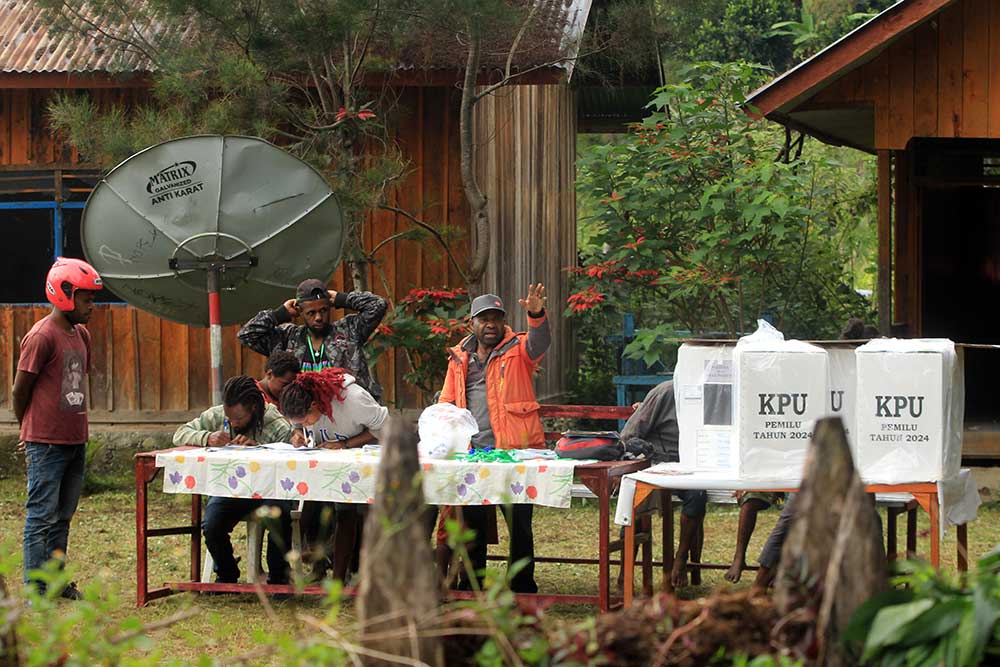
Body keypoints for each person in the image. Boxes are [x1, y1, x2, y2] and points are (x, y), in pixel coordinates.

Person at [438, 285, 550, 593]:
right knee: (471, 523)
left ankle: (522, 585)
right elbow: (447, 401)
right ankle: (473, 583)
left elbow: (540, 343)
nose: (491, 325)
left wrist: (536, 314)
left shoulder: (519, 348)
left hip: (515, 452)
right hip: (473, 454)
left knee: (519, 524)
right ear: (471, 324)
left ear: (503, 322)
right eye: (484, 319)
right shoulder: (459, 357)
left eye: (496, 319)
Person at [14, 258, 102, 598]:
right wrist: (28, 430)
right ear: (64, 294)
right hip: (45, 443)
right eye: (86, 298)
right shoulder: (41, 336)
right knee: (41, 516)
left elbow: (75, 386)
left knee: (63, 516)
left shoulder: (81, 334)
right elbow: (19, 390)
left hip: (75, 440)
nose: (91, 306)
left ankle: (55, 581)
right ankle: (35, 586)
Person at [173, 376, 294, 585]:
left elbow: (292, 457)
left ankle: (279, 577)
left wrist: (259, 448)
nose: (233, 423)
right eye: (230, 419)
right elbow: (180, 434)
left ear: (254, 409)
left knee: (280, 516)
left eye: (239, 419)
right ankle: (227, 574)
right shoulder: (219, 414)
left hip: (269, 490)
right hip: (231, 490)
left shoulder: (276, 424)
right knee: (211, 523)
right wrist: (207, 437)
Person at [279, 367, 388, 582]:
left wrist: (345, 443)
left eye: (306, 420)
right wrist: (298, 434)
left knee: (356, 513)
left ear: (314, 404)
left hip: (366, 466)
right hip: (333, 469)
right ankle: (329, 572)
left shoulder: (354, 399)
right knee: (329, 508)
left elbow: (383, 429)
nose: (305, 423)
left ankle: (356, 576)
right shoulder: (300, 404)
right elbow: (297, 425)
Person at [619, 380, 709, 589]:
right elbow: (629, 435)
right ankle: (625, 574)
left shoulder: (713, 392)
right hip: (655, 462)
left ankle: (681, 559)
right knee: (635, 504)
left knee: (698, 496)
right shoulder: (665, 392)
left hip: (692, 465)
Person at [237, 279, 387, 400]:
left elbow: (379, 305)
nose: (319, 318)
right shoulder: (287, 338)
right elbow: (246, 334)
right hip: (306, 418)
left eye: (323, 310)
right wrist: (279, 314)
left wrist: (342, 299)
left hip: (350, 413)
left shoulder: (348, 330)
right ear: (300, 311)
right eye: (311, 313)